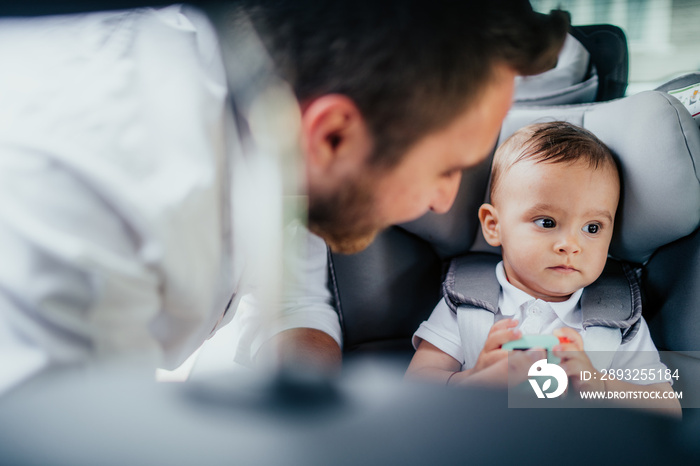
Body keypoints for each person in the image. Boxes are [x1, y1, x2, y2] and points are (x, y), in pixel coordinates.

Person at [0, 1, 567, 392]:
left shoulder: (280, 128)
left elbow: (292, 299)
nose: (446, 202)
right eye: (447, 169)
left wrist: (311, 415)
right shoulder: (85, 192)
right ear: (332, 135)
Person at [405, 122, 681, 415]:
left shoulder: (618, 320)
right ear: (493, 225)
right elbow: (415, 390)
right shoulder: (465, 303)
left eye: (592, 227)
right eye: (547, 222)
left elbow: (667, 409)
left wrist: (598, 385)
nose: (571, 245)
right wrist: (474, 380)